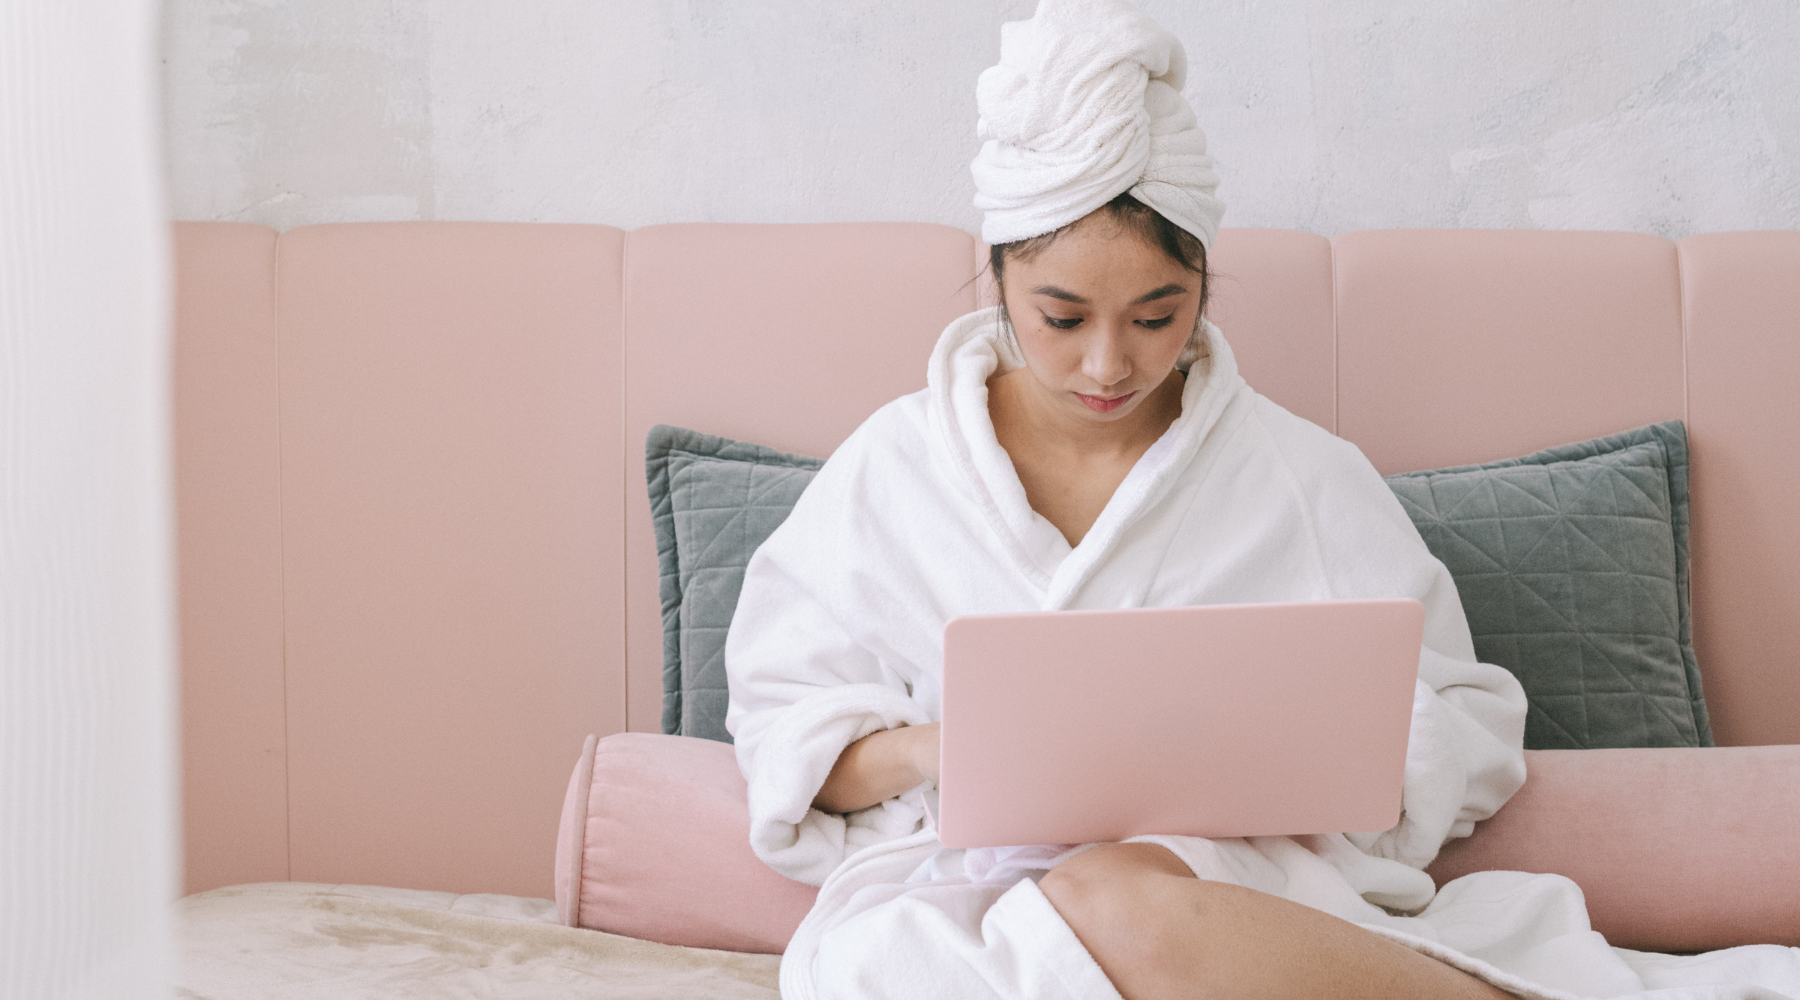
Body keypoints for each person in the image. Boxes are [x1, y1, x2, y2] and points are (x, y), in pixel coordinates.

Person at [725, 2, 1800, 998]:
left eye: (1158, 314)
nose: (1110, 364)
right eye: (1061, 318)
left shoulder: (1296, 473)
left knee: (1114, 896)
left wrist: (1286, 760)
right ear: (997, 276)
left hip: (1225, 885)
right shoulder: (893, 472)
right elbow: (791, 747)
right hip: (955, 888)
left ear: (1202, 285)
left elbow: (1462, 722)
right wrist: (942, 748)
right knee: (908, 959)